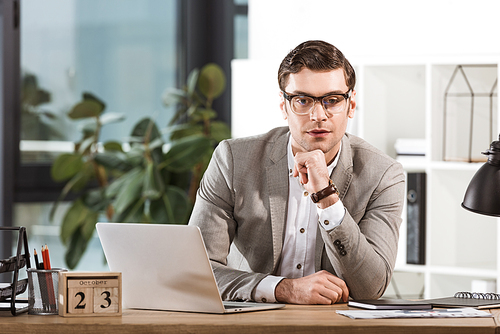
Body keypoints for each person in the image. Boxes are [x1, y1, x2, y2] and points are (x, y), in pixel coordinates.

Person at [188, 40, 406, 305]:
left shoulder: (384, 175)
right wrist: (283, 289)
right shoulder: (233, 160)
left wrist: (327, 198)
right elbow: (195, 270)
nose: (318, 115)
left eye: (332, 100)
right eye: (302, 100)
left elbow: (372, 287)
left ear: (351, 105)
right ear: (284, 106)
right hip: (251, 323)